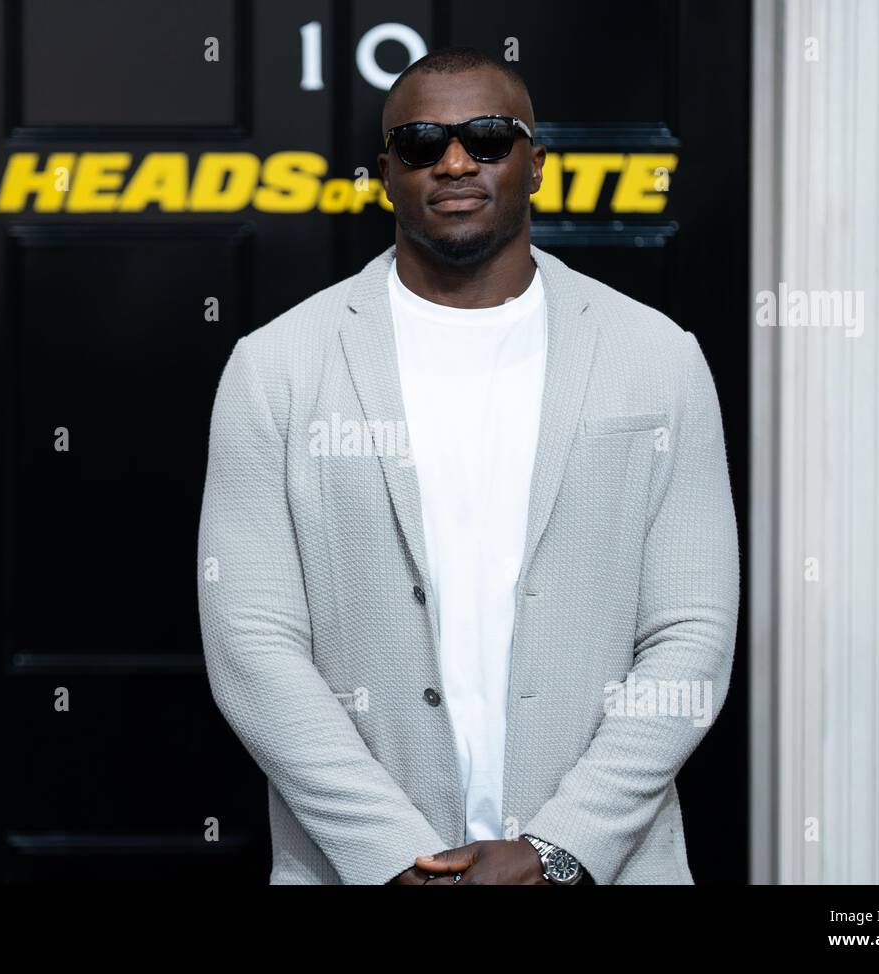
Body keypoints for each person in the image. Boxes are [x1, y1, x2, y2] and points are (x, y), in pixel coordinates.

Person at [196, 46, 739, 884]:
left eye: (488, 137)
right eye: (420, 142)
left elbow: (692, 634)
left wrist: (558, 851)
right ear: (385, 174)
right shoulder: (276, 368)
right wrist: (391, 855)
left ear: (537, 164)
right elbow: (252, 643)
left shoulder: (658, 358)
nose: (455, 160)